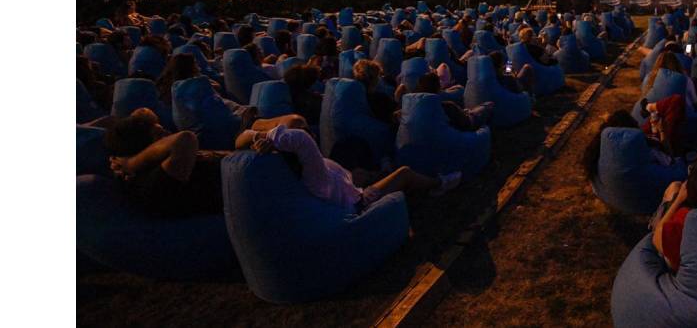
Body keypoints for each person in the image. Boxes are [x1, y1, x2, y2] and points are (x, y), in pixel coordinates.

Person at [104, 108, 305, 217]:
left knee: (291, 123)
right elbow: (185, 139)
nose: (166, 133)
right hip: (262, 176)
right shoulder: (152, 181)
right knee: (295, 124)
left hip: (248, 156)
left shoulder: (159, 165)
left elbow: (138, 113)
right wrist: (132, 163)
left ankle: (256, 127)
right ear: (143, 145)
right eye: (159, 134)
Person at [243, 121, 460, 210]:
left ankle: (381, 171)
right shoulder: (310, 165)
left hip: (345, 184)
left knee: (349, 152)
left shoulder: (305, 170)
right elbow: (299, 137)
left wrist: (262, 138)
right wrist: (273, 136)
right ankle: (439, 184)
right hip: (357, 203)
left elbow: (244, 134)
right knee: (404, 173)